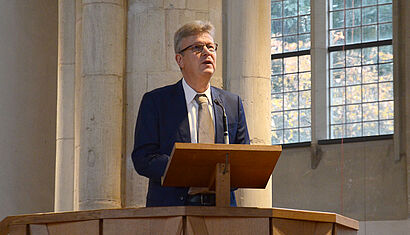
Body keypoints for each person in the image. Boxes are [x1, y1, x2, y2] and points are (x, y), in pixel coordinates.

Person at [132, 21, 250, 207]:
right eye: (197, 48)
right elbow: (143, 158)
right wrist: (188, 169)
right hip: (172, 211)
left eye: (211, 47)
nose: (207, 52)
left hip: (223, 211)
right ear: (180, 60)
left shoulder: (231, 103)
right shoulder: (156, 102)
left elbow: (245, 159)